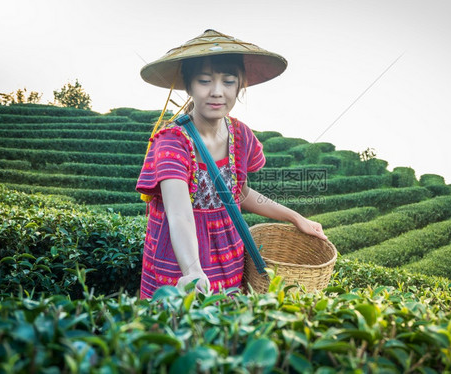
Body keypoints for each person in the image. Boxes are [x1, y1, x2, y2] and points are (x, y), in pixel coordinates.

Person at [136, 30, 327, 298]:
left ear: (240, 86)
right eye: (204, 81)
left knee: (225, 331)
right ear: (189, 86)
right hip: (181, 261)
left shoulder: (241, 136)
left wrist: (296, 218)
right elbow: (178, 212)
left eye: (228, 81)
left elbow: (241, 193)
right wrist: (191, 270)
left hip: (228, 256)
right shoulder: (171, 142)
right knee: (176, 330)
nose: (217, 92)